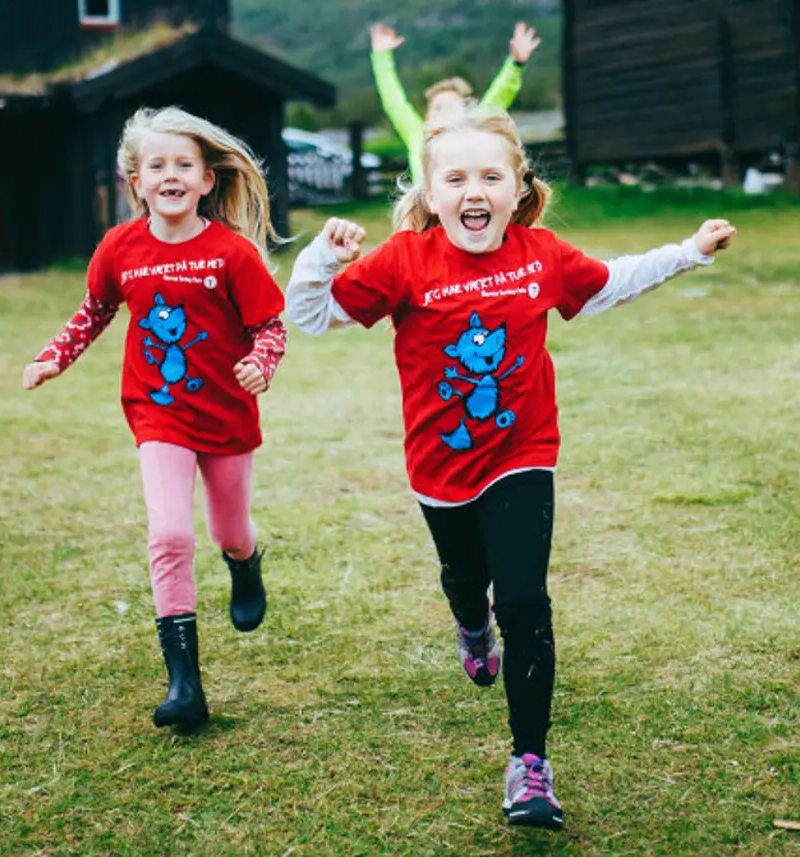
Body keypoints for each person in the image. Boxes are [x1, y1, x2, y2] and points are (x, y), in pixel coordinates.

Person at [285, 106, 734, 829]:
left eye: (491, 176)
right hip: (439, 469)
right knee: (468, 579)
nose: (474, 190)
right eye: (456, 177)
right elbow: (309, 316)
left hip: (523, 454)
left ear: (517, 187)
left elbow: (611, 281)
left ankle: (530, 763)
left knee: (524, 600)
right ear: (431, 194)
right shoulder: (404, 259)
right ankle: (470, 624)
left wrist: (690, 250)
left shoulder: (541, 253)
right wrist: (320, 259)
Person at [23, 106, 288, 732]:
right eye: (156, 165)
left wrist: (261, 363)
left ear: (204, 180)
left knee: (228, 530)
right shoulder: (120, 247)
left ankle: (245, 564)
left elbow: (268, 326)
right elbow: (94, 310)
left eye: (183, 165)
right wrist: (53, 358)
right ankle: (185, 684)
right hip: (157, 411)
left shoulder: (231, 253)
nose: (170, 175)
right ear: (135, 182)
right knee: (168, 533)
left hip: (225, 414)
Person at [370, 21, 541, 183]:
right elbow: (394, 101)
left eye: (453, 107)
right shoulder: (418, 137)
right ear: (428, 117)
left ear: (467, 113)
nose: (446, 112)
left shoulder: (476, 130)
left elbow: (500, 93)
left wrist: (516, 64)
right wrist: (381, 57)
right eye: (439, 108)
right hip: (425, 213)